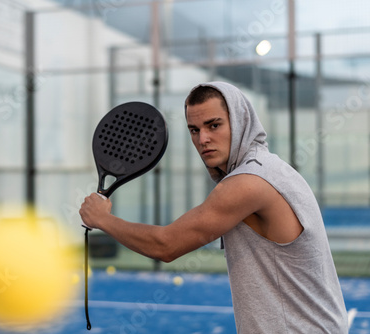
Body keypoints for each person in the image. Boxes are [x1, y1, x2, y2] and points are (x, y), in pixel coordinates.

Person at [80, 81, 348, 333]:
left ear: (240, 122)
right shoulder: (272, 168)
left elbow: (166, 245)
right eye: (194, 130)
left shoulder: (249, 183)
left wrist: (103, 219)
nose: (203, 139)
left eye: (214, 125)